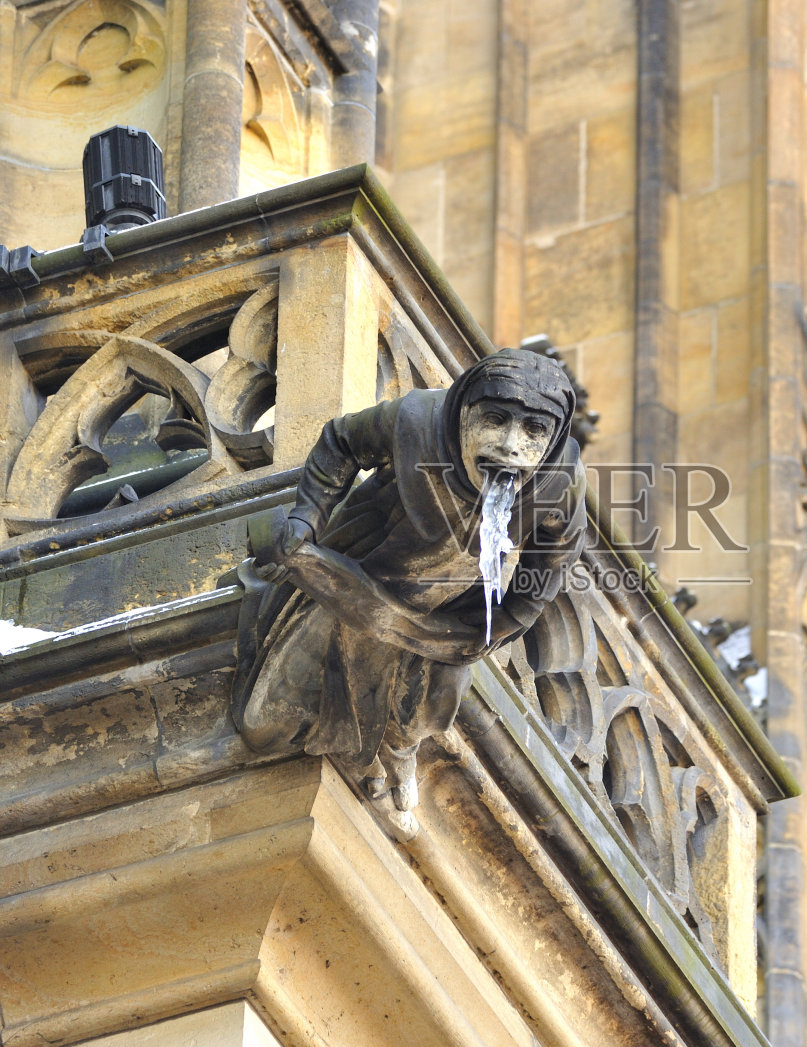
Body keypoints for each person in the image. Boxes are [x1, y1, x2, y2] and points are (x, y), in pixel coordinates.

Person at [233, 348, 586, 822]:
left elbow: (555, 557)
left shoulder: (559, 479)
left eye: (534, 431)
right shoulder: (417, 420)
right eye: (495, 419)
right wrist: (306, 518)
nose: (509, 445)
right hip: (365, 568)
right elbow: (340, 443)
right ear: (464, 412)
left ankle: (396, 752)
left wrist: (505, 621)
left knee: (429, 705)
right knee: (268, 719)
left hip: (446, 608)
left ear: (554, 437)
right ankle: (360, 747)